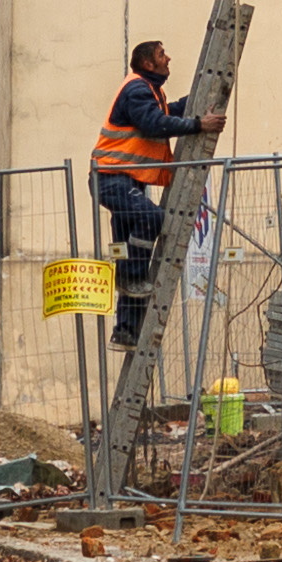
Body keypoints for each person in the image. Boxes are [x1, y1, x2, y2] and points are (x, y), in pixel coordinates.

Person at [92, 39, 213, 345]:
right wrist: (199, 125)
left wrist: (195, 101)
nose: (168, 57)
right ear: (148, 64)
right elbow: (154, 124)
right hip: (112, 179)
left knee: (132, 255)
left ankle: (126, 330)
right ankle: (131, 278)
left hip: (125, 181)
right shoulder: (137, 89)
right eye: (162, 54)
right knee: (153, 219)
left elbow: (163, 112)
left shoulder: (149, 91)